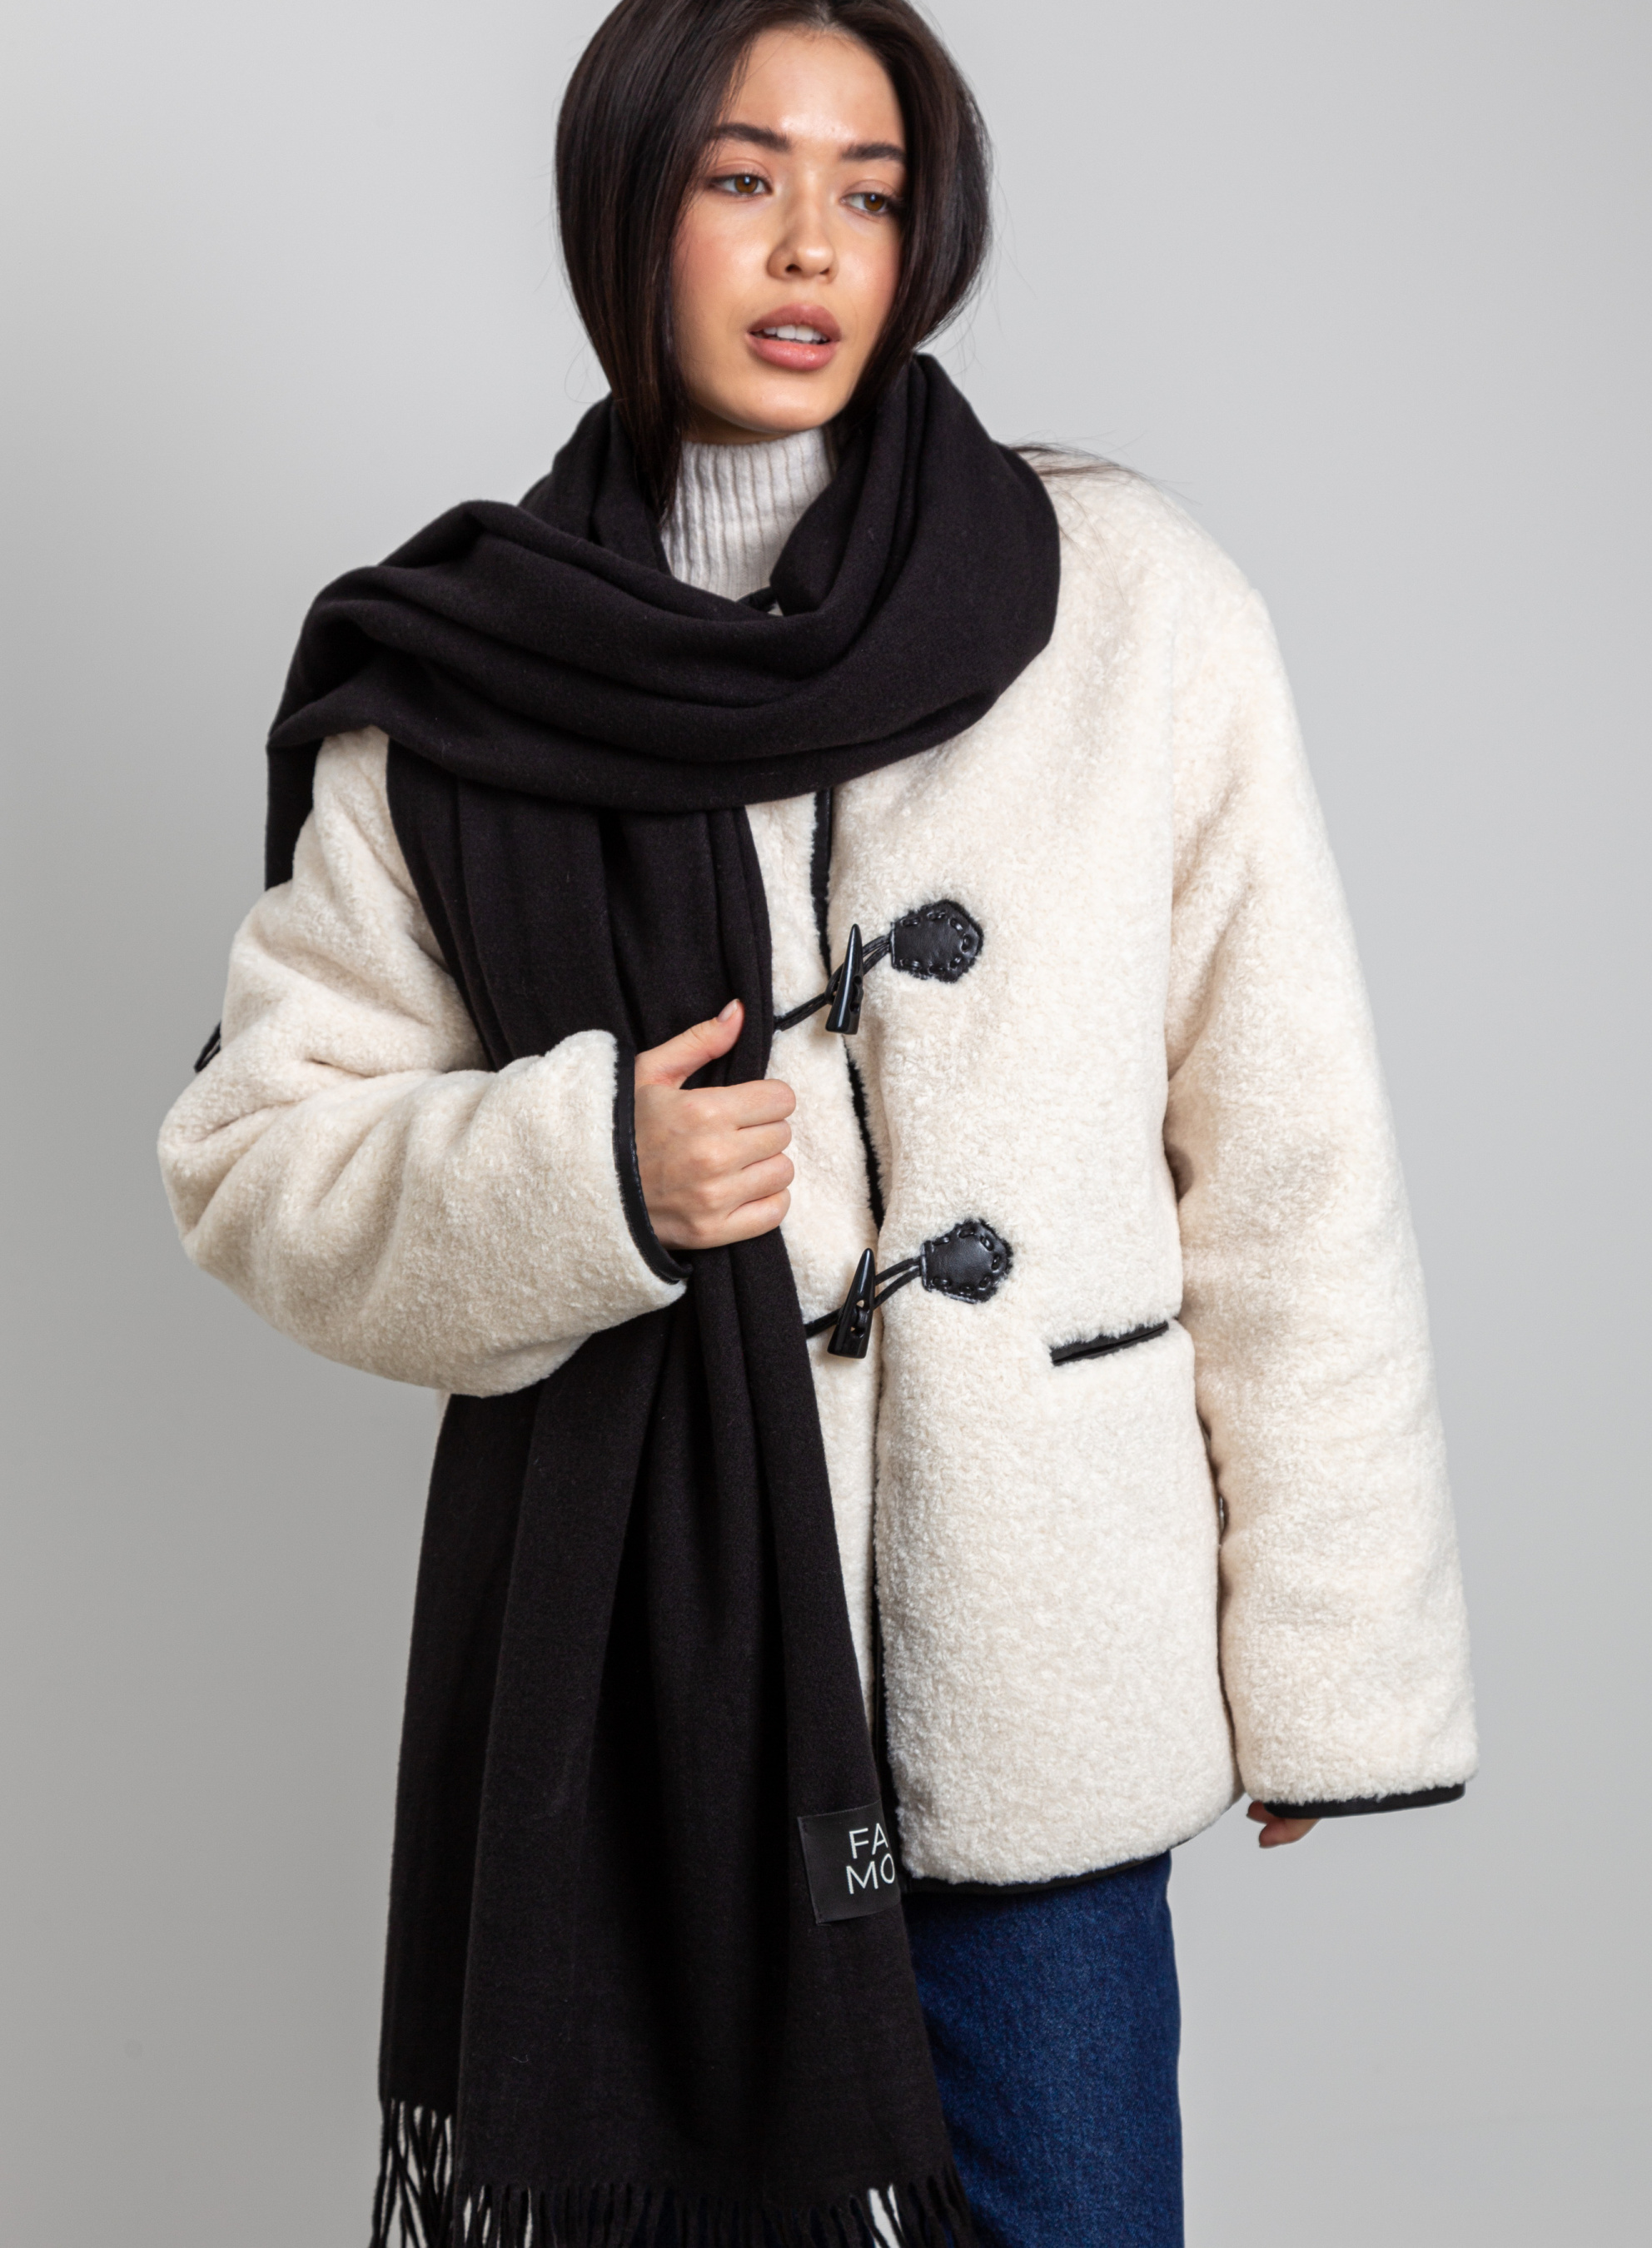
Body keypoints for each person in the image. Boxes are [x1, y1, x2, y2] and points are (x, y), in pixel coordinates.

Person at [157, 2, 1477, 2243]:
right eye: (743, 178)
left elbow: (1288, 1162)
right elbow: (253, 1160)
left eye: (868, 192)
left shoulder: (1131, 603)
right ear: (627, 206)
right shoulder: (466, 682)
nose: (812, 248)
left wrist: (1329, 1665)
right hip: (651, 1728)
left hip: (1036, 1677)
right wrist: (590, 1175)